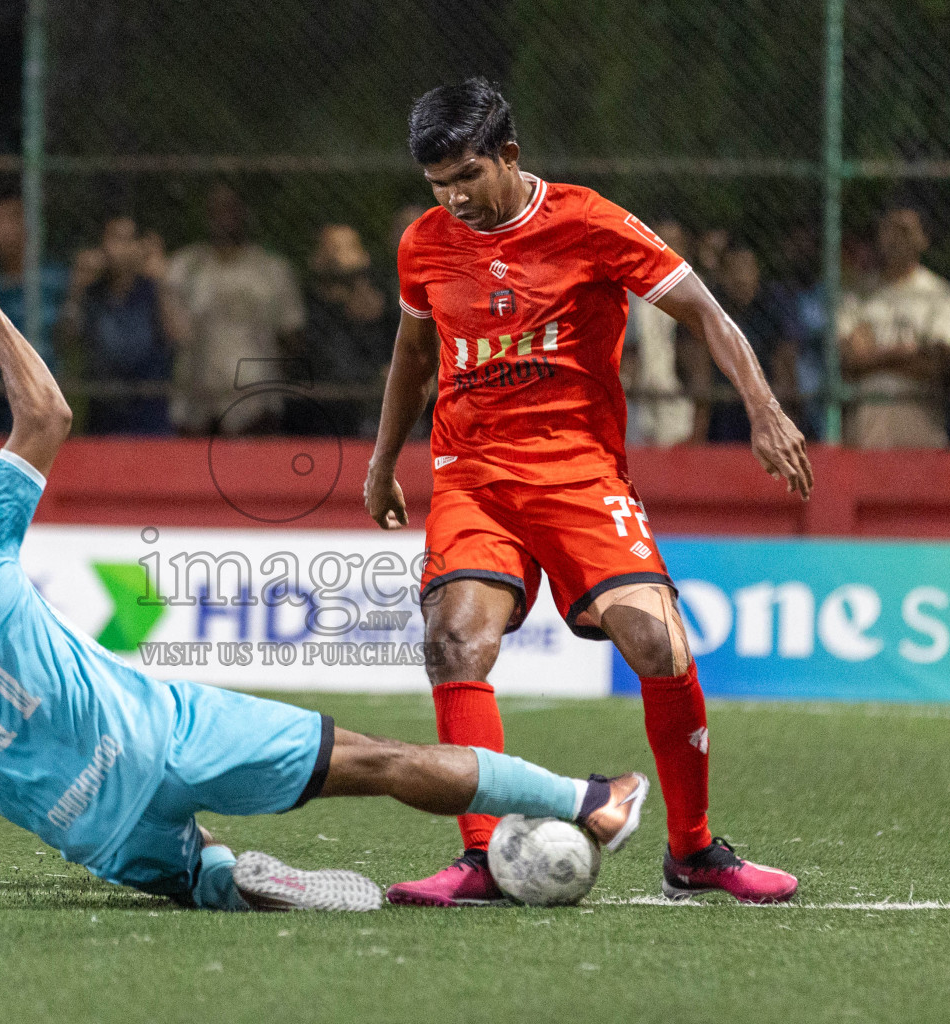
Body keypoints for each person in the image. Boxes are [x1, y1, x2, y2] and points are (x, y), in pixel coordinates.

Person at [0, 225, 651, 912]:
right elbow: (47, 415)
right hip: (170, 738)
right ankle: (586, 795)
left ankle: (220, 878)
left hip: (93, 827)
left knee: (178, 872)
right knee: (380, 761)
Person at [365, 79, 808, 907]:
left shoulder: (590, 221)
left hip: (579, 473)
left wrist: (765, 411)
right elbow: (412, 356)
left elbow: (707, 314)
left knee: (659, 647)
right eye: (437, 185)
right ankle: (484, 857)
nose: (454, 198)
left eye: (467, 175)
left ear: (509, 154)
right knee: (454, 642)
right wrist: (383, 460)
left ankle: (694, 852)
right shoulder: (424, 244)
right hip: (473, 477)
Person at [167, 184, 305, 435]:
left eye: (231, 209)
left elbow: (291, 332)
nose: (224, 217)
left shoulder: (271, 269)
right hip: (199, 398)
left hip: (256, 396)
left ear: (244, 214)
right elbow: (172, 328)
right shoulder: (186, 267)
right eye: (217, 210)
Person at [838, 205, 950, 448]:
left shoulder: (940, 294)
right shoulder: (857, 294)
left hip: (920, 427)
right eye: (889, 229)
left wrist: (874, 356)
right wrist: (907, 352)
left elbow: (937, 364)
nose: (896, 238)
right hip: (865, 432)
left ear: (923, 240)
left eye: (905, 230)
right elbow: (850, 360)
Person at [56, 215, 183, 434]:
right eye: (114, 239)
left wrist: (163, 282)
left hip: (150, 416)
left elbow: (178, 335)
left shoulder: (153, 291)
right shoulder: (93, 292)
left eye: (127, 240)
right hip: (103, 416)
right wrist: (76, 289)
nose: (119, 249)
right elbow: (65, 340)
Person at [296, 224, 390, 436]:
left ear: (364, 256)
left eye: (345, 248)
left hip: (370, 412)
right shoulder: (307, 306)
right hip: (320, 410)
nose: (336, 256)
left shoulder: (384, 304)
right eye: (330, 248)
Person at [699, 243, 797, 443]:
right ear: (722, 276)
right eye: (734, 270)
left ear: (757, 274)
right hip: (721, 418)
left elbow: (786, 376)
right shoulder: (708, 312)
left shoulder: (772, 311)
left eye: (747, 269)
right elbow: (700, 378)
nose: (741, 279)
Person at [624, 217, 695, 447]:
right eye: (660, 242)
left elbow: (695, 363)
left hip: (677, 405)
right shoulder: (631, 292)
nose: (666, 250)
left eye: (674, 243)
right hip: (637, 402)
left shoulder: (696, 295)